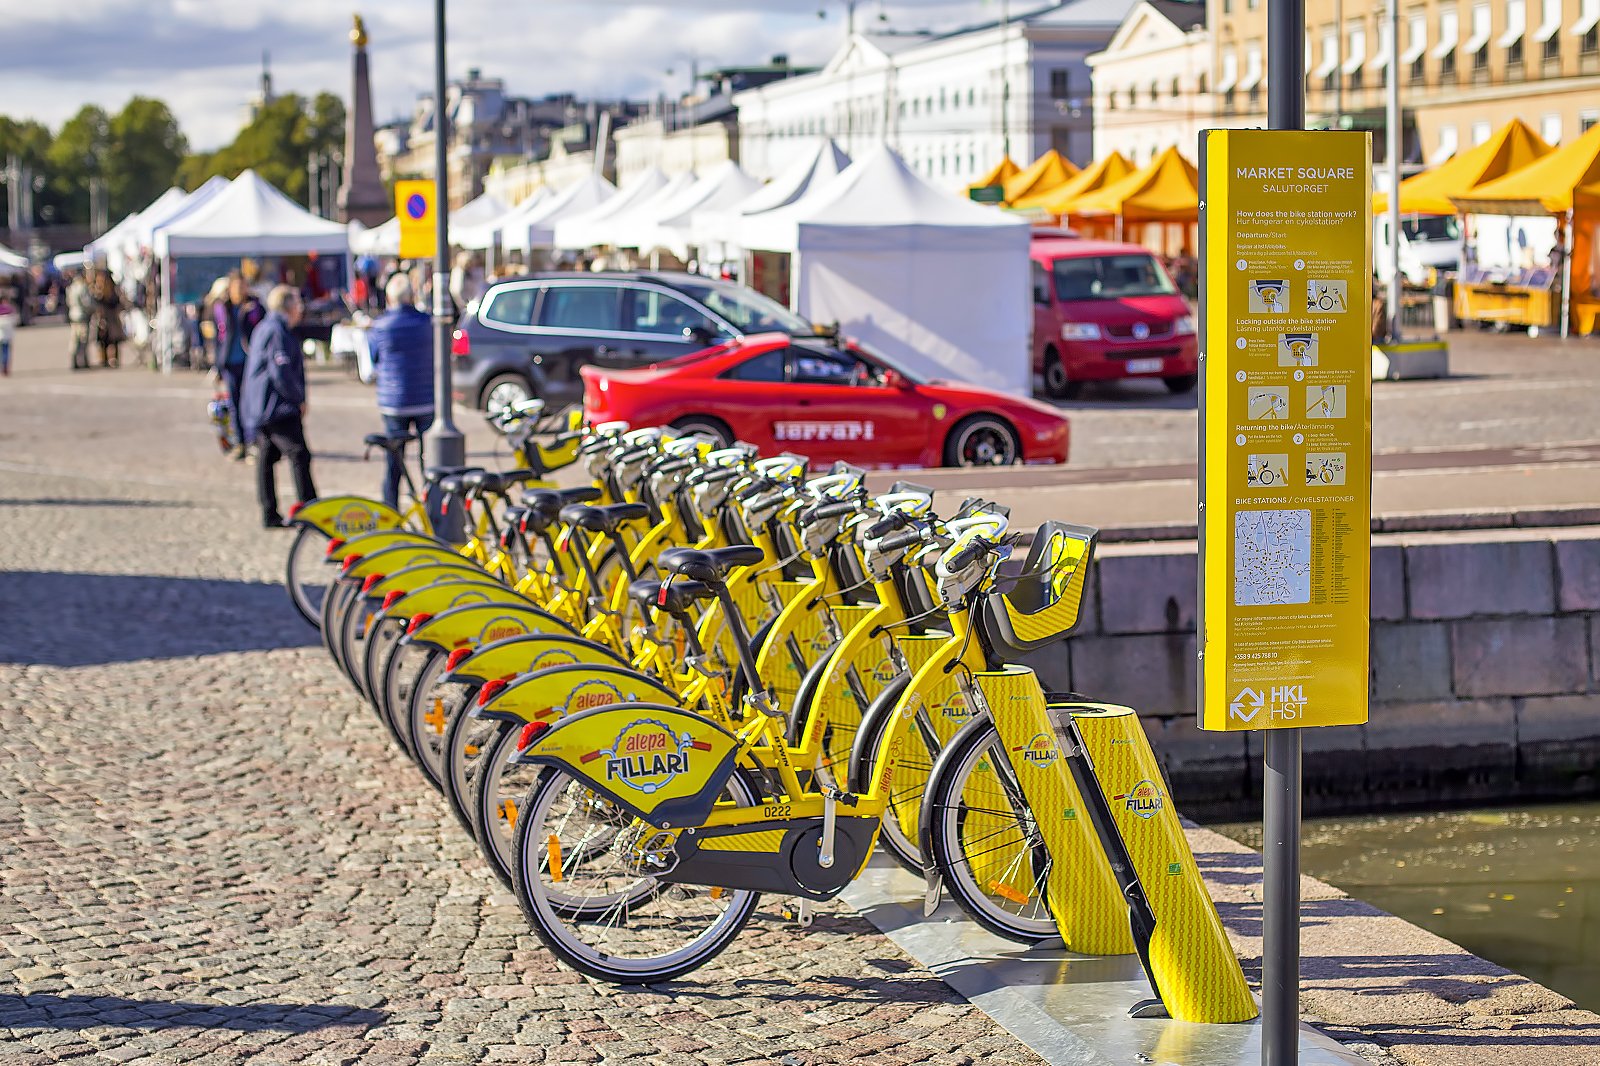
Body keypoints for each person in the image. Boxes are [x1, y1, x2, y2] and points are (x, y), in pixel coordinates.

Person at [241, 285, 317, 529]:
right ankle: (311, 510)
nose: (301, 310)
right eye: (298, 304)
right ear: (289, 307)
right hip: (276, 406)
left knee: (268, 456)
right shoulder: (276, 331)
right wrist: (298, 398)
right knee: (299, 455)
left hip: (262, 405)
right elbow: (280, 371)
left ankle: (269, 512)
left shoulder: (267, 327)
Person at [366, 273, 436, 508]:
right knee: (430, 459)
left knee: (394, 459)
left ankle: (391, 511)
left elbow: (374, 360)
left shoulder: (381, 326)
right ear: (412, 296)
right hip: (425, 398)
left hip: (394, 401)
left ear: (389, 297)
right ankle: (434, 506)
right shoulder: (427, 322)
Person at [212, 272, 265, 459]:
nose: (241, 290)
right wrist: (217, 365)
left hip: (250, 362)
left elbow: (261, 330)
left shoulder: (254, 305)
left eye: (244, 286)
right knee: (234, 404)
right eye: (237, 286)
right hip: (230, 361)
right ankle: (240, 442)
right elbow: (218, 338)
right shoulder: (222, 307)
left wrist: (248, 312)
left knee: (251, 403)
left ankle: (254, 441)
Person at [89, 268, 125, 367]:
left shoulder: (113, 290)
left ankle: (114, 359)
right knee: (102, 340)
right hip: (102, 318)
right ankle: (103, 359)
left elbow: (117, 303)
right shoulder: (97, 290)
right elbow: (95, 304)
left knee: (113, 340)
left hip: (111, 318)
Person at [66, 270, 92, 370]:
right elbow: (86, 302)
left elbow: (68, 302)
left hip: (73, 315)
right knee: (83, 340)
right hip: (82, 316)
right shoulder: (82, 287)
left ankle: (74, 361)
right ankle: (83, 361)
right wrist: (93, 308)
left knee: (73, 339)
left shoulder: (70, 288)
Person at [0, 290, 18, 377]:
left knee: (4, 351)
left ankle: (4, 368)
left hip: (5, 335)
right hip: (6, 335)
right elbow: (14, 320)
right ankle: (5, 368)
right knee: (5, 352)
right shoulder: (10, 309)